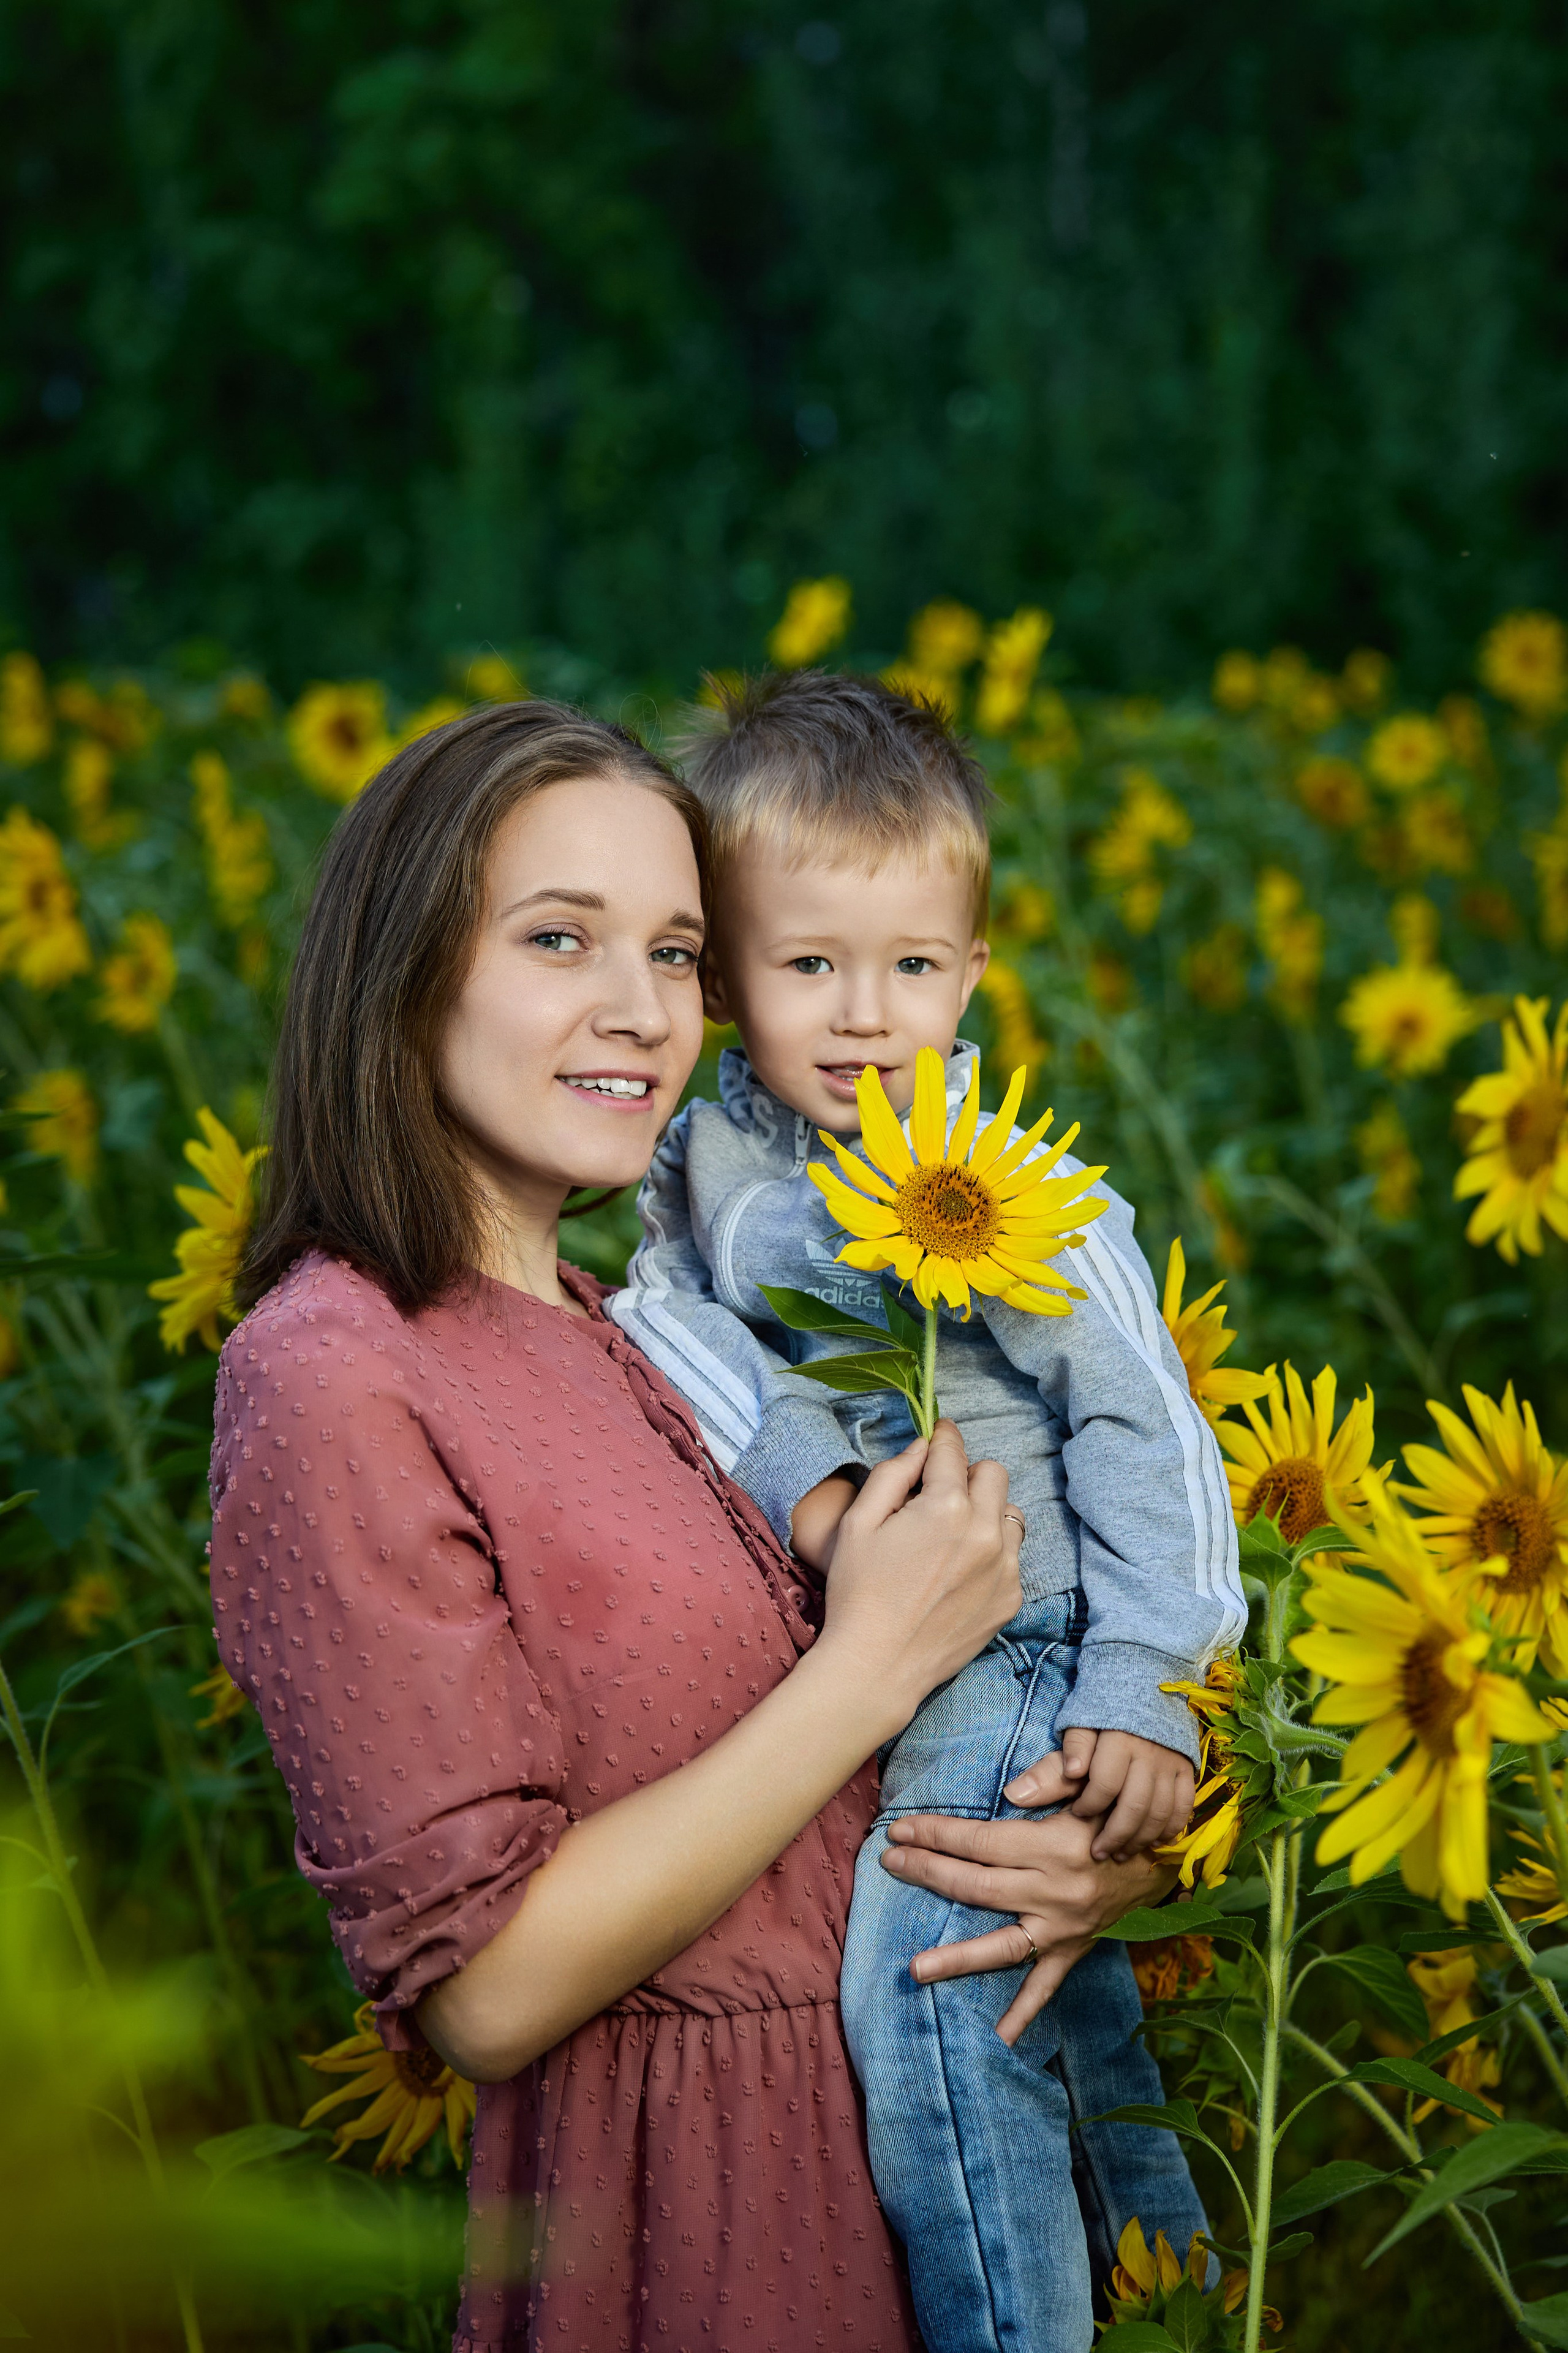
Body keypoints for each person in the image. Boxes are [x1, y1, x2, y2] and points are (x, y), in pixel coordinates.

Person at [210, 699, 1172, 2353]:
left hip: (926, 2168)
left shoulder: (654, 1329)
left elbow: (897, 1749)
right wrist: (870, 1663)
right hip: (704, 2237)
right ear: (403, 958)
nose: (640, 1010)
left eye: (675, 950)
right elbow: (489, 1989)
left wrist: (1091, 1858)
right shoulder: (333, 1368)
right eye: (560, 937)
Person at [608, 671, 1241, 2353]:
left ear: (971, 969)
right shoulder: (709, 1167)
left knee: (934, 1996)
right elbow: (664, 1323)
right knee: (1057, 1985)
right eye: (810, 964)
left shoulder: (1012, 1184)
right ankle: (1174, 2294)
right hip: (901, 1639)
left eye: (911, 965)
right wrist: (812, 1480)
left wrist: (1152, 1687)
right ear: (728, 976)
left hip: (1033, 1640)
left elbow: (1153, 1433)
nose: (866, 1013)